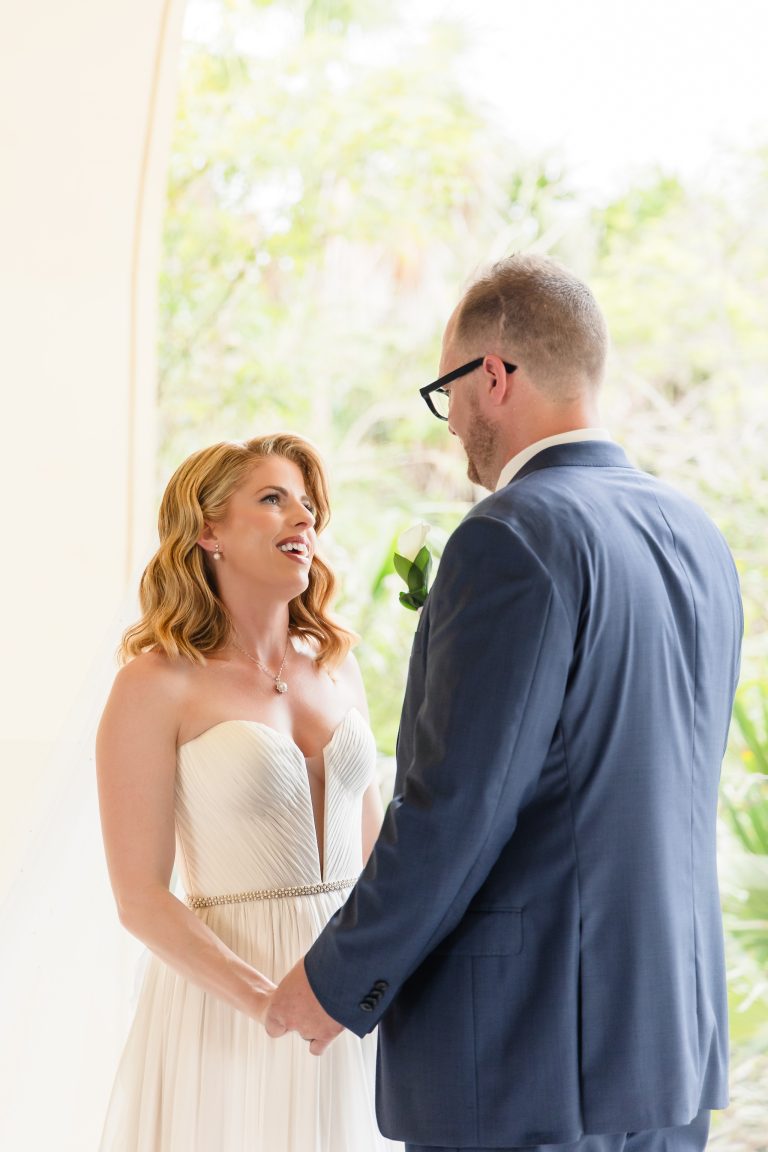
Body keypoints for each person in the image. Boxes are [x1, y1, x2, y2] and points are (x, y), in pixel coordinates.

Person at [266, 255, 743, 1152]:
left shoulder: (512, 536)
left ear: (494, 375)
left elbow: (457, 807)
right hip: (667, 1044)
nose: (451, 427)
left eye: (448, 393)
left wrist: (337, 980)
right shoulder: (697, 538)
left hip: (529, 1053)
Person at [96, 432, 400, 1152]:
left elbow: (377, 858)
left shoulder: (336, 667)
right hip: (227, 1003)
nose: (303, 519)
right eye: (272, 499)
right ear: (207, 532)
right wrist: (265, 1001)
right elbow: (139, 898)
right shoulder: (155, 683)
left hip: (349, 993)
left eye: (307, 504)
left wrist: (380, 983)